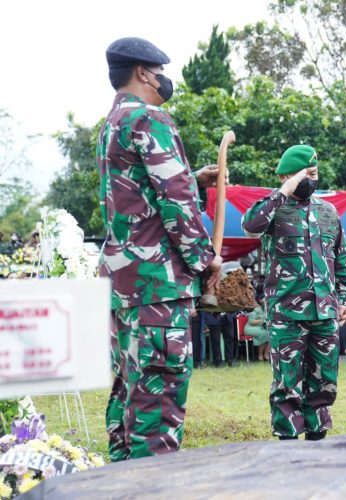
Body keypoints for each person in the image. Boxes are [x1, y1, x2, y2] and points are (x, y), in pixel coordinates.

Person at [97, 37, 223, 462]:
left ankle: (115, 488)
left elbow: (139, 194)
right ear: (142, 73)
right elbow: (176, 204)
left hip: (123, 285)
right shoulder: (151, 118)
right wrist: (206, 261)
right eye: (158, 72)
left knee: (129, 393)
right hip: (158, 289)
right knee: (158, 405)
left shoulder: (111, 124)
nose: (162, 80)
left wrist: (190, 177)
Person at [241, 144, 346, 441]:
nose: (310, 178)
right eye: (304, 173)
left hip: (325, 313)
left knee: (324, 383)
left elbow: (343, 259)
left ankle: (317, 442)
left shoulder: (328, 211)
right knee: (286, 385)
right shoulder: (273, 209)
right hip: (286, 314)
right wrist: (285, 188)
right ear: (285, 175)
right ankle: (288, 446)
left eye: (314, 172)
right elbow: (250, 226)